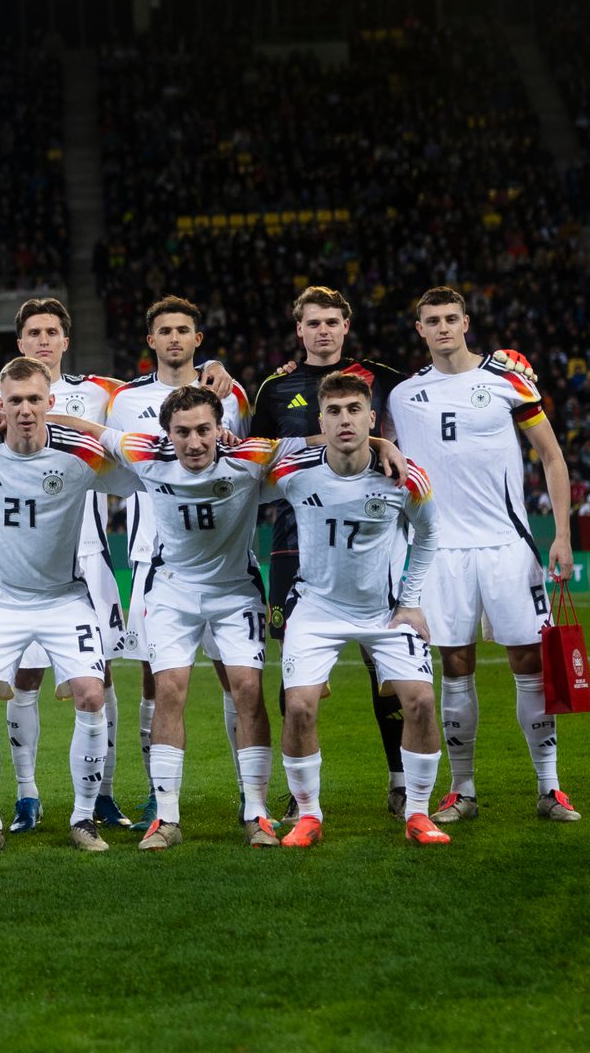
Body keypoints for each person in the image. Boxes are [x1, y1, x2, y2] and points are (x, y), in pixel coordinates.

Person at [65, 385, 302, 849]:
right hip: (172, 592)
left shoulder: (252, 456)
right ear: (166, 433)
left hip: (235, 592)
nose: (194, 443)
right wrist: (18, 420)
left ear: (222, 429)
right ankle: (167, 818)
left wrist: (381, 444)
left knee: (248, 689)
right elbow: (89, 430)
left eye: (203, 431)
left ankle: (256, 810)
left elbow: (319, 443)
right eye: (182, 432)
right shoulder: (144, 452)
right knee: (169, 690)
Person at [386, 286, 580, 824]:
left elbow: (552, 456)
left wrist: (561, 534)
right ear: (419, 329)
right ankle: (462, 790)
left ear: (466, 321)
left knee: (528, 663)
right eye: (432, 320)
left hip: (506, 545)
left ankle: (550, 787)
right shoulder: (402, 396)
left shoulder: (507, 380)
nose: (443, 327)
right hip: (440, 551)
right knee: (455, 665)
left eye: (452, 317)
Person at [0, 356, 138, 855]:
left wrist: (86, 427)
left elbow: (138, 474)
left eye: (35, 400)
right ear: (0, 406)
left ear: (50, 403)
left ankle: (83, 818)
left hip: (63, 598)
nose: (25, 410)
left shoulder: (79, 454)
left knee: (93, 696)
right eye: (15, 401)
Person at [269, 373, 450, 848]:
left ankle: (417, 812)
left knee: (422, 703)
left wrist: (410, 602)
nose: (343, 419)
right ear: (320, 421)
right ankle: (308, 815)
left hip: (385, 613)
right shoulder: (291, 471)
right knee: (300, 706)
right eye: (334, 411)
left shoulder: (403, 476)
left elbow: (430, 535)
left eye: (354, 410)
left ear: (372, 419)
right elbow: (239, 464)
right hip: (316, 607)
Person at [251, 287, 409, 822]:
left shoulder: (383, 378)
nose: (322, 331)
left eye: (332, 322)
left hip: (371, 539)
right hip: (294, 541)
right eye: (312, 323)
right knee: (298, 675)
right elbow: (258, 460)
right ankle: (298, 797)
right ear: (299, 330)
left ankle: (401, 779)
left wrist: (387, 445)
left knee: (383, 666)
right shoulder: (275, 388)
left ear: (346, 325)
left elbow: (405, 440)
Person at [105, 296, 251, 829]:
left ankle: (247, 790)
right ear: (151, 341)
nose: (173, 339)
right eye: (163, 330)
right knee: (156, 678)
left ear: (197, 338)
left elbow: (248, 454)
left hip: (224, 557)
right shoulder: (124, 400)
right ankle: (156, 794)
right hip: (152, 556)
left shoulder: (227, 394)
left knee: (236, 676)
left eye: (183, 330)